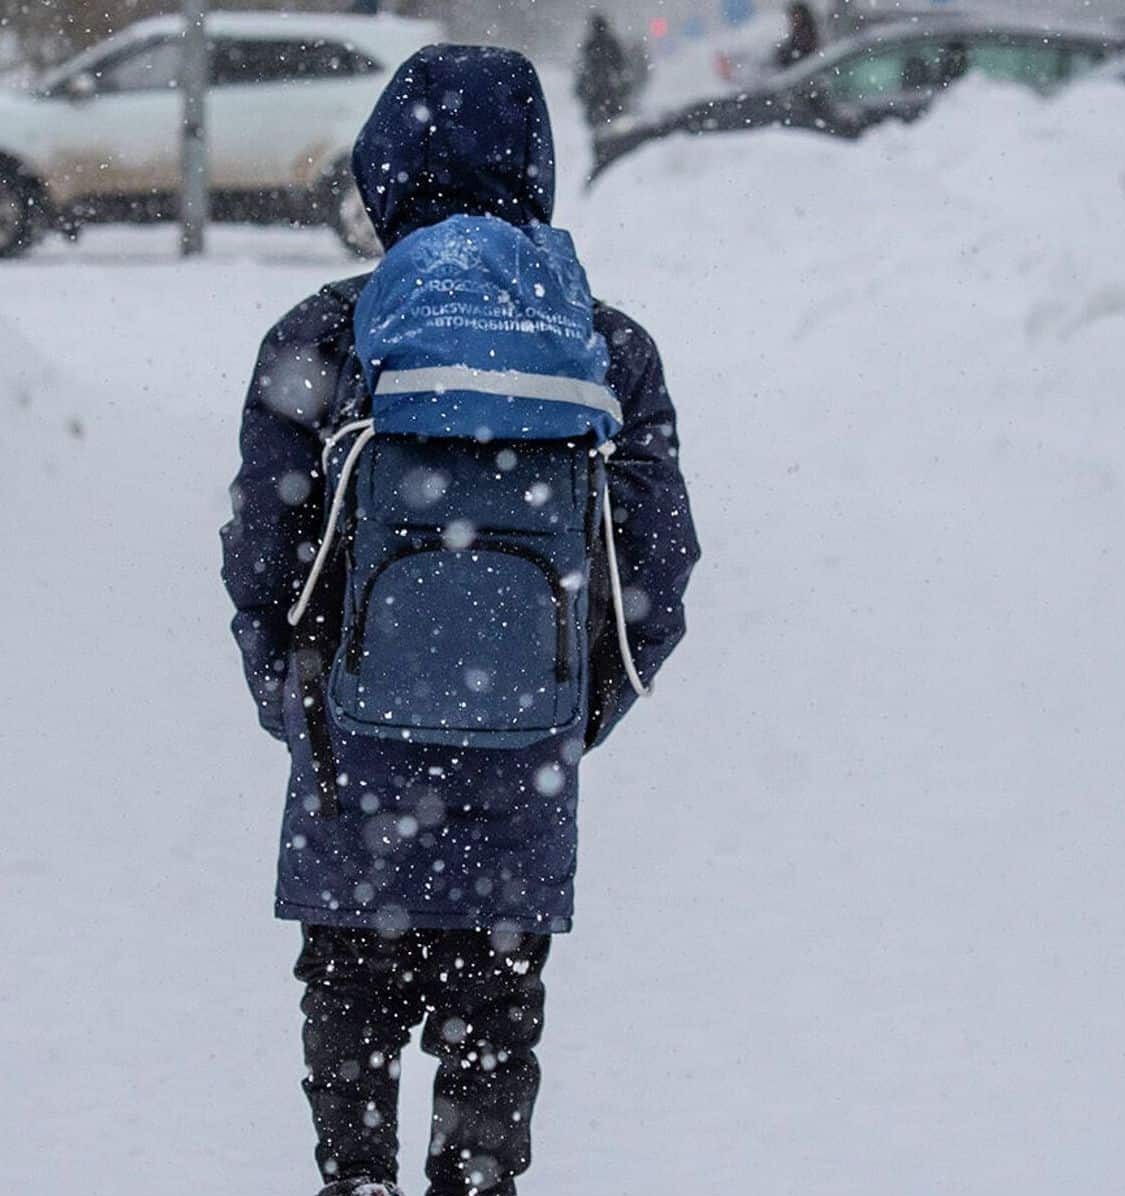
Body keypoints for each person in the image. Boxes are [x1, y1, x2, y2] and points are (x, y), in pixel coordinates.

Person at [219, 45, 700, 1196]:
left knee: (348, 1006)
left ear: (386, 166)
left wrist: (298, 701)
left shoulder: (322, 335)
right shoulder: (603, 347)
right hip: (519, 771)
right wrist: (566, 716)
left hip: (354, 759)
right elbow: (658, 566)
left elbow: (263, 552)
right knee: (494, 1023)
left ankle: (357, 1177)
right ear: (536, 165)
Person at [574, 12, 629, 127]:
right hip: (609, 91)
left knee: (598, 122)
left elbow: (582, 69)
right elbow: (621, 65)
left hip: (596, 91)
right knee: (613, 121)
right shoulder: (612, 43)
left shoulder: (590, 45)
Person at [773, 2, 822, 69]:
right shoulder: (791, 45)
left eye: (796, 16)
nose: (793, 21)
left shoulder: (810, 35)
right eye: (792, 17)